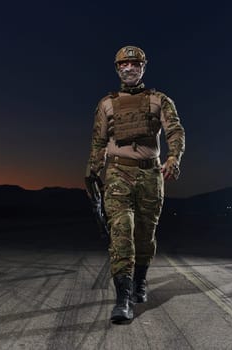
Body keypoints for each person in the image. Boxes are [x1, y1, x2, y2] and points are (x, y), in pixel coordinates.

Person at [85, 45, 186, 322]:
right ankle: (123, 298)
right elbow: (99, 142)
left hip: (151, 176)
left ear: (143, 67)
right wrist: (92, 174)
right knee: (121, 232)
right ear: (117, 69)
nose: (128, 68)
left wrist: (174, 158)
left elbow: (174, 130)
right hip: (118, 174)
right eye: (123, 65)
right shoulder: (106, 103)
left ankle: (140, 281)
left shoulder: (159, 100)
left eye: (134, 64)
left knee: (144, 234)